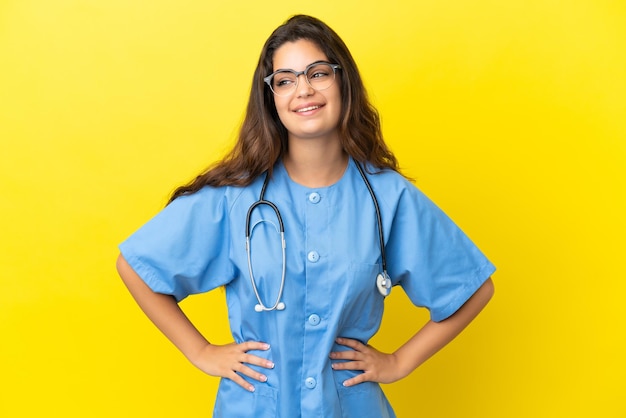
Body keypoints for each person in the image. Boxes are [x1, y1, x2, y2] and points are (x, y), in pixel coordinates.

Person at [116, 14, 495, 418]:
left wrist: (399, 362)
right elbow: (136, 265)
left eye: (318, 73)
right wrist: (201, 351)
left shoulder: (388, 196)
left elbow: (471, 288)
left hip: (350, 406)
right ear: (271, 98)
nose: (304, 90)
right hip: (254, 406)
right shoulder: (235, 198)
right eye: (285, 80)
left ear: (342, 81)